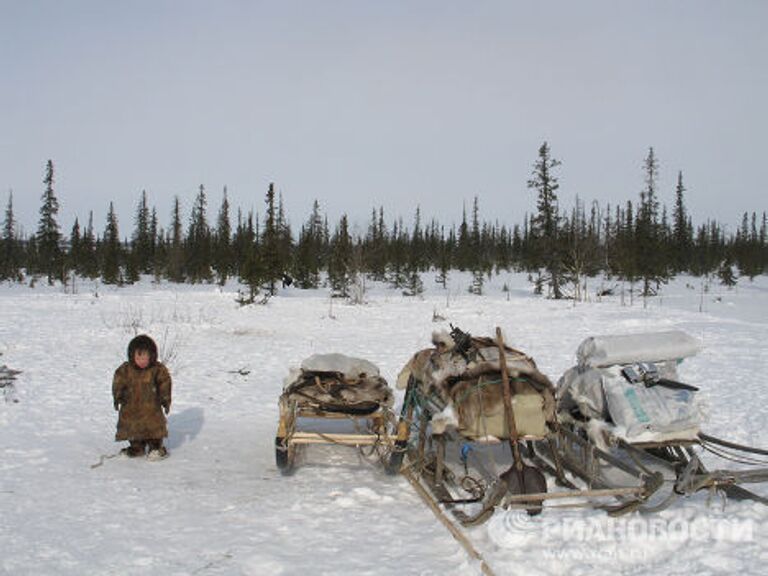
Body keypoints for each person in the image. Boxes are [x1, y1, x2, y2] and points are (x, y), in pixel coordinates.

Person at [112, 334, 172, 460]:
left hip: (151, 408)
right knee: (132, 428)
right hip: (131, 408)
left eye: (146, 358)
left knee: (154, 428)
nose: (142, 361)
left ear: (152, 356)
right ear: (132, 356)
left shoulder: (157, 369)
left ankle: (156, 447)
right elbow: (118, 382)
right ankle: (136, 447)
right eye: (139, 357)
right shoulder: (125, 370)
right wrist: (118, 396)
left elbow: (165, 383)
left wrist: (165, 399)